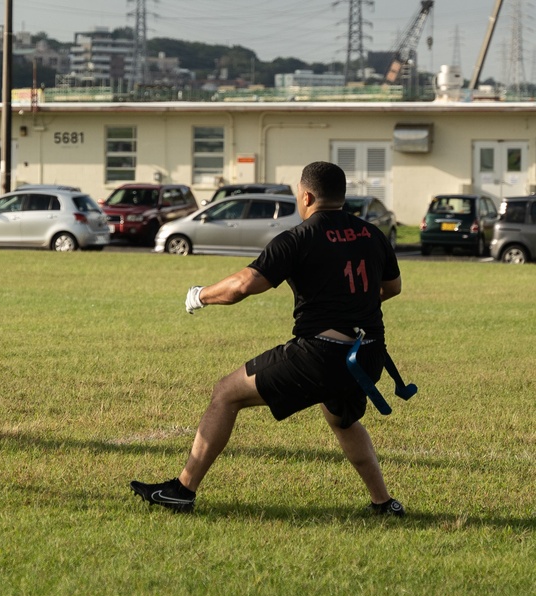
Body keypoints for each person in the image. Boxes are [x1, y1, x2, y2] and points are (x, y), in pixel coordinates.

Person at [131, 161, 406, 517]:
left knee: (225, 394)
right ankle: (384, 504)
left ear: (306, 196)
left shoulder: (299, 237)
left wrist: (201, 295)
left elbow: (243, 286)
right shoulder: (372, 234)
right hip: (369, 354)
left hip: (321, 355)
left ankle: (182, 490)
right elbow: (392, 288)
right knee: (342, 419)